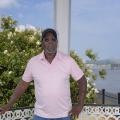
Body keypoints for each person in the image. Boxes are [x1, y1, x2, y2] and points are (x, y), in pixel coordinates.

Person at [0, 28, 87, 120]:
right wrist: (9, 105)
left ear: (57, 42)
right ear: (42, 43)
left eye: (53, 39)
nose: (50, 42)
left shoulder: (68, 61)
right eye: (46, 40)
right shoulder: (33, 62)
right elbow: (22, 86)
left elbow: (82, 81)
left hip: (64, 115)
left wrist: (80, 104)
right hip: (40, 116)